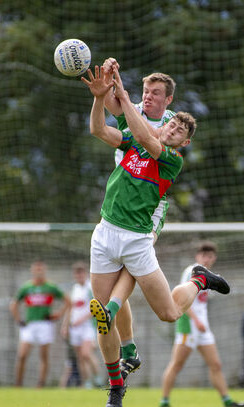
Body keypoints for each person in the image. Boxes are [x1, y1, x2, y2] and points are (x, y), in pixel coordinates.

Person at [82, 65, 230, 407]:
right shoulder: (135, 139)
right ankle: (116, 384)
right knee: (102, 316)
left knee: (169, 313)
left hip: (136, 240)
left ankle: (198, 280)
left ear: (184, 143)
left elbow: (147, 137)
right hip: (104, 233)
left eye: (180, 132)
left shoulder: (171, 160)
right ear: (164, 124)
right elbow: (98, 129)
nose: (173, 131)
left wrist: (120, 91)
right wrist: (100, 98)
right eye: (172, 125)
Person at [99, 58, 179, 381]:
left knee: (132, 260)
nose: (148, 96)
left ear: (168, 99)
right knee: (118, 273)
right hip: (121, 200)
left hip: (150, 203)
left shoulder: (173, 124)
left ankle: (123, 333)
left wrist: (121, 96)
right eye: (145, 91)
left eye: (155, 93)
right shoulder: (133, 108)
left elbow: (149, 139)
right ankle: (129, 348)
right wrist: (106, 78)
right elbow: (107, 101)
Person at [159, 241, 244, 407]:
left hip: (203, 328)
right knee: (177, 364)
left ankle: (227, 401)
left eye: (210, 256)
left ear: (214, 258)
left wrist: (202, 322)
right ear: (197, 256)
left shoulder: (210, 276)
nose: (207, 259)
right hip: (189, 326)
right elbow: (181, 299)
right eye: (204, 255)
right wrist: (196, 320)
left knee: (216, 364)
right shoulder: (191, 271)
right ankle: (164, 401)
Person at [9, 261, 69, 388]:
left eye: (41, 269)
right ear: (32, 271)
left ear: (45, 271)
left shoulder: (51, 287)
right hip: (29, 325)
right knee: (22, 355)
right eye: (36, 269)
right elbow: (13, 305)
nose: (39, 272)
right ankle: (18, 385)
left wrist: (59, 314)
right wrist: (18, 319)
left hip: (45, 324)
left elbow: (68, 301)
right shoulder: (26, 287)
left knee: (43, 356)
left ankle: (40, 385)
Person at [61, 261, 102, 388]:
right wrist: (65, 325)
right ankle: (87, 382)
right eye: (77, 274)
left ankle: (98, 378)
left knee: (86, 354)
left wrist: (82, 319)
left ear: (85, 274)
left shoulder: (90, 288)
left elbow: (96, 308)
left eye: (81, 274)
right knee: (80, 357)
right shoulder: (74, 289)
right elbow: (70, 308)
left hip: (87, 326)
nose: (79, 276)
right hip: (75, 328)